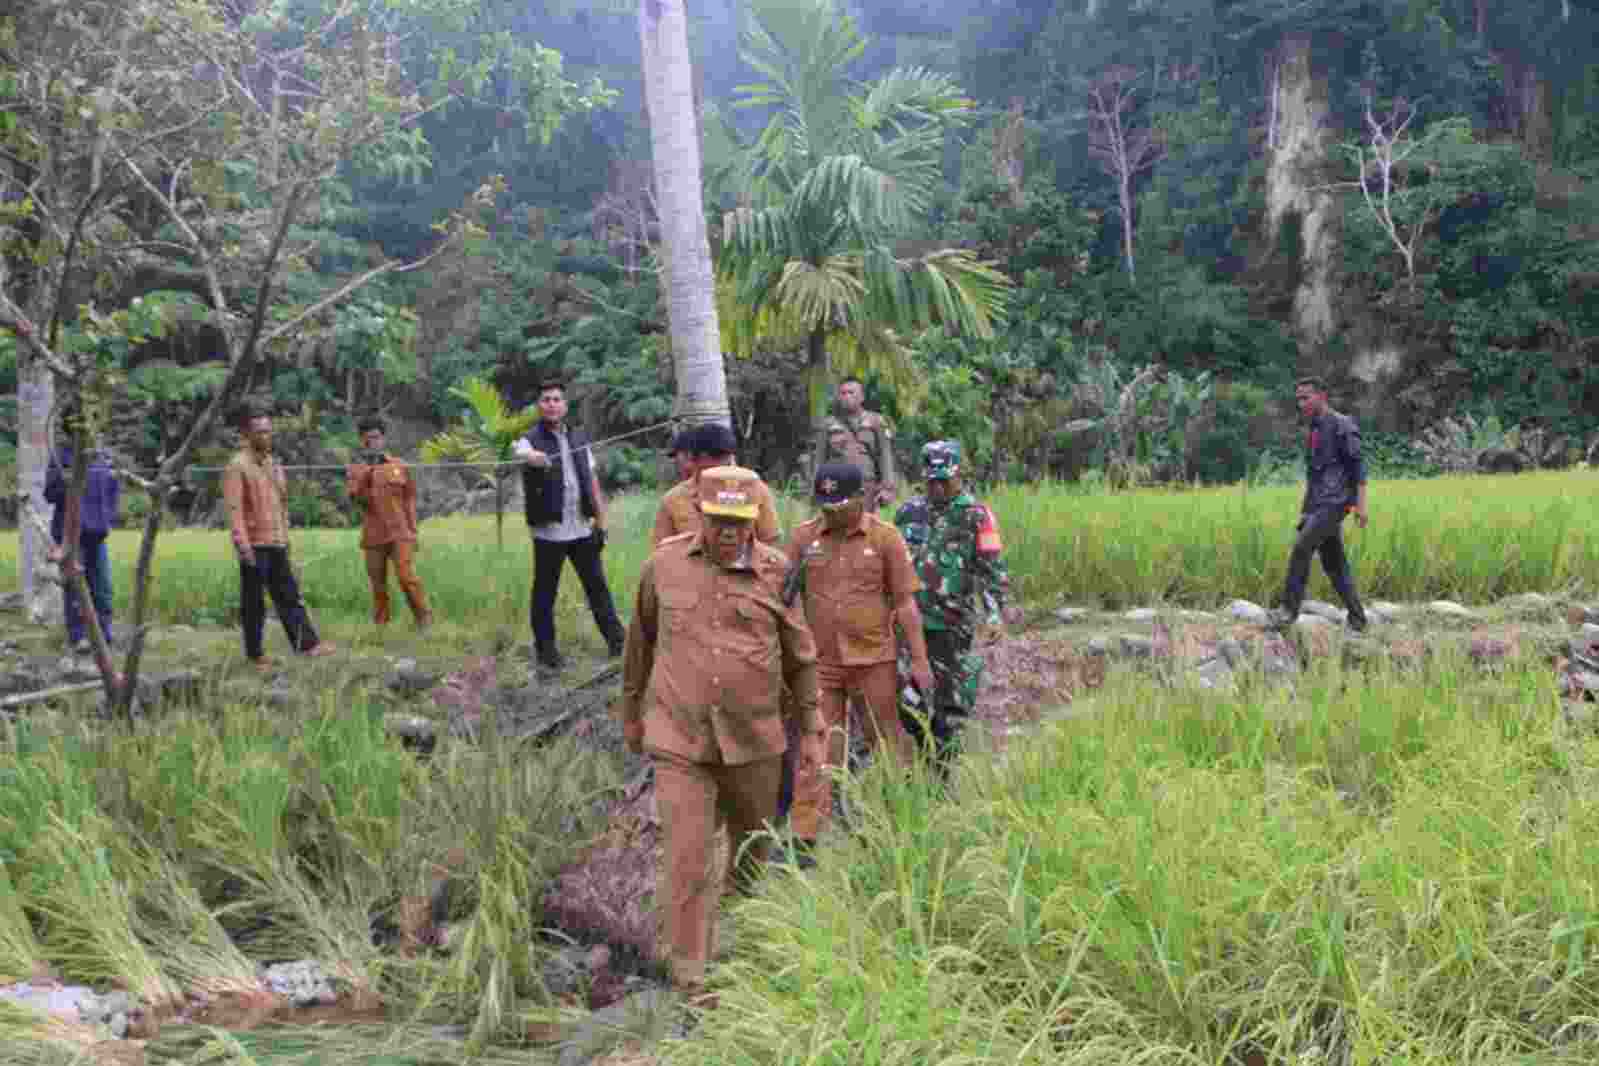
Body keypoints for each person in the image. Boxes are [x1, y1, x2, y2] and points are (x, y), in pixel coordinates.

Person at [615, 465, 824, 993]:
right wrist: (632, 713)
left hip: (754, 739)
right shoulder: (662, 567)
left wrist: (814, 728)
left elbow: (801, 659)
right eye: (718, 519)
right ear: (701, 514)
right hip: (679, 736)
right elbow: (639, 644)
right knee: (687, 856)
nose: (728, 530)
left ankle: (737, 925)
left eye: (739, 520)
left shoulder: (778, 573)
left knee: (753, 846)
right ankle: (691, 976)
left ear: (754, 519)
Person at [784, 462, 933, 848]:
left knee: (886, 741)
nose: (832, 512)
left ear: (861, 498)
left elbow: (904, 604)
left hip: (874, 660)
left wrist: (919, 661)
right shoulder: (803, 540)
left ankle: (898, 821)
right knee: (817, 746)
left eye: (840, 504)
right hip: (821, 664)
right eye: (825, 504)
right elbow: (786, 600)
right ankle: (806, 837)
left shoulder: (885, 539)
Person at [894, 440, 1010, 774]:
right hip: (909, 623)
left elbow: (992, 570)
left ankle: (940, 777)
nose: (939, 487)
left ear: (960, 475)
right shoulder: (908, 512)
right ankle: (920, 753)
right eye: (932, 480)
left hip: (951, 625)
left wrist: (993, 614)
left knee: (950, 707)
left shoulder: (977, 515)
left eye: (946, 479)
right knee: (905, 702)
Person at [515, 380, 626, 675]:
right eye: (546, 400)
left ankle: (619, 644)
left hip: (581, 529)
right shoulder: (529, 439)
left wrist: (601, 521)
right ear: (539, 406)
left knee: (598, 589)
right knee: (544, 595)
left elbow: (591, 481)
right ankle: (547, 654)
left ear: (564, 406)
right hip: (549, 533)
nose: (551, 404)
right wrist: (532, 457)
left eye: (556, 399)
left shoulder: (578, 437)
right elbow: (520, 453)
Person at [222, 410, 337, 670]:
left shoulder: (274, 465)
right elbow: (234, 509)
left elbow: (281, 504)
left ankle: (307, 645)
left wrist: (286, 536)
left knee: (289, 595)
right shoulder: (237, 466)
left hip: (276, 541)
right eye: (259, 431)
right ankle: (255, 655)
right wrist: (242, 544)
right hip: (255, 545)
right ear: (246, 435)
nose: (265, 435)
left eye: (268, 430)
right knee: (254, 602)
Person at [1268, 377, 1369, 633]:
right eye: (1298, 399)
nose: (1301, 403)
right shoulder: (1314, 429)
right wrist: (1306, 511)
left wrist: (1361, 505)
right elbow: (1314, 476)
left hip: (1336, 503)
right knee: (1334, 563)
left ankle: (1288, 611)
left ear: (1321, 396)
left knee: (1302, 547)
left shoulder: (1341, 425)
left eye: (1306, 397)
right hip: (1320, 503)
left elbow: (1359, 468)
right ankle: (1358, 618)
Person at [346, 415, 430, 631]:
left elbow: (409, 498)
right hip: (373, 536)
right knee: (378, 584)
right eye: (368, 438)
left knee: (406, 577)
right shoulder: (356, 469)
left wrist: (413, 530)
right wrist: (366, 474)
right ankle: (381, 626)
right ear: (361, 440)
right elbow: (356, 499)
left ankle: (424, 619)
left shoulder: (398, 465)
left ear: (383, 439)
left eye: (377, 437)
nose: (373, 442)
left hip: (400, 532)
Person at [651, 423, 781, 548]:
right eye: (711, 473)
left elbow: (770, 544)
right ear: (692, 459)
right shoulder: (673, 499)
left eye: (726, 467)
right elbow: (660, 553)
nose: (721, 477)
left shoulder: (757, 491)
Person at [44, 442, 120, 653]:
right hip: (70, 533)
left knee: (102, 586)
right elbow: (49, 493)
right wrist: (69, 478)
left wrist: (109, 519)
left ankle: (103, 633)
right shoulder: (62, 453)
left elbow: (113, 489)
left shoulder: (103, 454)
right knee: (75, 586)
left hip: (97, 532)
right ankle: (79, 637)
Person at [810, 377, 897, 510]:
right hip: (836, 489)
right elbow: (819, 461)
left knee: (866, 528)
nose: (846, 396)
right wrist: (817, 490)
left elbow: (885, 456)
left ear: (862, 397)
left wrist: (887, 489)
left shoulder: (876, 422)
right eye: (843, 393)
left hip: (867, 490)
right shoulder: (828, 424)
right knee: (837, 527)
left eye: (851, 392)